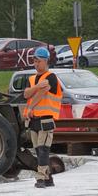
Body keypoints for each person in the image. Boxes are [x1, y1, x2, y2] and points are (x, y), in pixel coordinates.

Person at [22, 47, 63, 188]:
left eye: (38, 61)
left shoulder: (51, 77)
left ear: (45, 61)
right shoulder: (33, 79)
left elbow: (41, 93)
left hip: (46, 119)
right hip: (33, 120)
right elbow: (26, 94)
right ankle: (48, 177)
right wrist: (37, 86)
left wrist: (31, 107)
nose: (35, 64)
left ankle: (40, 178)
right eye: (34, 61)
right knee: (39, 150)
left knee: (43, 148)